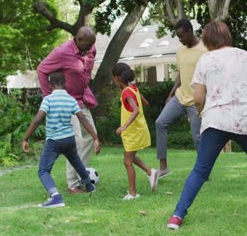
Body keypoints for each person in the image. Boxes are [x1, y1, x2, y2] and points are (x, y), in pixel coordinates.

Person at [167, 21, 247, 230]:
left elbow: (198, 98)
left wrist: (199, 112)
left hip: (216, 120)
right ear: (227, 36)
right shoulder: (244, 56)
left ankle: (177, 216)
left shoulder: (205, 60)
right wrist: (246, 94)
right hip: (245, 119)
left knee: (200, 170)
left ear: (207, 40)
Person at [22, 72, 101, 208]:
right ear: (65, 84)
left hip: (54, 141)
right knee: (76, 162)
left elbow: (37, 120)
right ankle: (89, 186)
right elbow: (82, 118)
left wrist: (25, 138)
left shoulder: (48, 99)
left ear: (50, 85)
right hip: (69, 140)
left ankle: (56, 197)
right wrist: (95, 137)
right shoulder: (71, 100)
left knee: (43, 171)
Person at [37, 26, 98, 194]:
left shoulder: (90, 48)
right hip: (67, 102)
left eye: (92, 45)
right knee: (76, 141)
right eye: (87, 45)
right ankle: (73, 185)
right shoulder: (62, 52)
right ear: (77, 40)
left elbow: (88, 64)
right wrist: (50, 97)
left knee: (90, 136)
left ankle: (81, 177)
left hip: (83, 99)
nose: (90, 48)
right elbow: (42, 70)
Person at [155, 19, 207, 178]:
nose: (181, 40)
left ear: (191, 31)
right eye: (178, 37)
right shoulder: (180, 51)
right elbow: (181, 74)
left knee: (197, 137)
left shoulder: (205, 50)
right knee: (160, 123)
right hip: (179, 97)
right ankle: (163, 166)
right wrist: (171, 94)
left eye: (182, 36)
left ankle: (203, 171)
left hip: (196, 101)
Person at [112, 63, 159, 200]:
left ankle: (133, 193)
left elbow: (136, 110)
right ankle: (150, 172)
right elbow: (145, 103)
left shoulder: (126, 91)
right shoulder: (133, 89)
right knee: (129, 158)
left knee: (127, 161)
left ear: (116, 78)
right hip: (138, 129)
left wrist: (124, 126)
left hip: (133, 131)